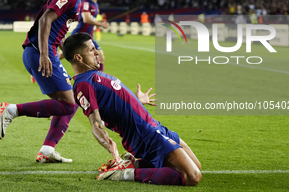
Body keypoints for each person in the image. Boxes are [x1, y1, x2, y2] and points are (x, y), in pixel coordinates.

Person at [0, 0, 97, 163]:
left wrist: (65, 55)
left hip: (42, 51)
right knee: (70, 104)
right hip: (39, 51)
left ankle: (47, 150)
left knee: (69, 102)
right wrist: (45, 54)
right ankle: (11, 110)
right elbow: (45, 20)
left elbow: (58, 30)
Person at [62, 32, 202, 186]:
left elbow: (114, 103)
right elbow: (95, 123)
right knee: (191, 176)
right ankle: (123, 172)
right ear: (78, 58)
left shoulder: (94, 75)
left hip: (153, 125)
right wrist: (111, 148)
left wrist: (137, 101)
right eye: (91, 50)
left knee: (197, 167)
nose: (96, 52)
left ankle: (134, 165)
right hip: (143, 133)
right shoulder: (83, 85)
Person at [58, 0, 108, 72]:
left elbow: (90, 19)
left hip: (88, 37)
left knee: (100, 56)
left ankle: (98, 80)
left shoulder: (96, 5)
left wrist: (98, 21)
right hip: (79, 35)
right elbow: (86, 19)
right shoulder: (86, 2)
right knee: (64, 54)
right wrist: (100, 23)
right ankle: (43, 67)